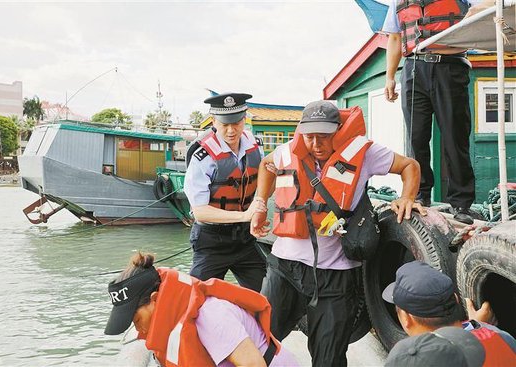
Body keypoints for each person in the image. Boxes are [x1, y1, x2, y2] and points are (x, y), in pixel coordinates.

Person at [250, 100, 426, 366]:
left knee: (328, 357)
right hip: (284, 268)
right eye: (310, 137)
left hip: (335, 274)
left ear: (339, 131)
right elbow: (266, 165)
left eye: (324, 136)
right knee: (258, 342)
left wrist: (407, 197)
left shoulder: (364, 153)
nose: (316, 144)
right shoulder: (287, 151)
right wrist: (260, 203)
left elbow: (409, 166)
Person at [104, 252, 299, 367]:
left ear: (154, 300)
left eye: (136, 319)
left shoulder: (209, 316)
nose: (138, 330)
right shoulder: (176, 318)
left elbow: (254, 365)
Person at [383, 0, 479, 224]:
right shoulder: (398, 2)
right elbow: (395, 38)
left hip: (451, 66)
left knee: (455, 138)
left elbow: (484, 8)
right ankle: (419, 195)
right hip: (414, 69)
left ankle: (462, 203)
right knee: (416, 138)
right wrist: (389, 77)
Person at [184, 92, 267, 292]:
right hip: (211, 241)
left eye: (237, 123)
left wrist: (259, 207)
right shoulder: (202, 157)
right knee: (195, 299)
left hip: (245, 240)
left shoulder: (255, 146)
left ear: (244, 118)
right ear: (214, 121)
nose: (231, 130)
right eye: (224, 124)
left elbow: (266, 175)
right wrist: (245, 215)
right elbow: (200, 211)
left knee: (268, 294)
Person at [382, 260, 516, 366]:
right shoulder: (501, 336)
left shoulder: (409, 360)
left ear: (406, 317)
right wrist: (478, 325)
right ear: (456, 299)